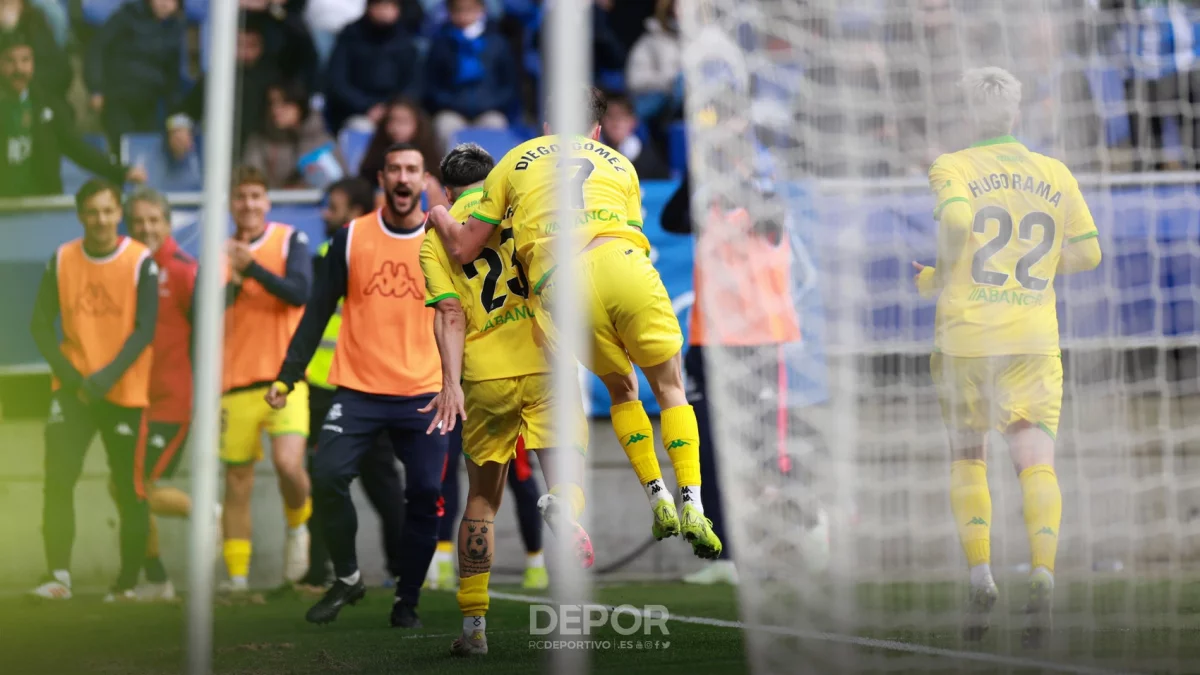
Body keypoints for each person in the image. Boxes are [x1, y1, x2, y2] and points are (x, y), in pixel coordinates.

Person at [427, 87, 721, 561]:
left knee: (622, 388)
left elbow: (464, 248)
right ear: (598, 131)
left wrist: (440, 213)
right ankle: (690, 501)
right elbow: (632, 228)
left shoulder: (515, 160)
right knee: (669, 389)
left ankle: (656, 496)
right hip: (622, 261)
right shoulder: (619, 163)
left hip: (561, 283)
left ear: (545, 127)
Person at [911, 67, 1102, 648]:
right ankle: (1042, 573)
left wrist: (942, 273)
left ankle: (981, 575)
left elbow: (960, 220)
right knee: (1035, 460)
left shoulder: (955, 165)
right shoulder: (1055, 173)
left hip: (969, 337)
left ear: (970, 115)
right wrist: (1039, 272)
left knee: (969, 457)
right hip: (1032, 337)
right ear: (1017, 113)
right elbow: (1090, 253)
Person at [269, 142, 448, 629]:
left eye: (412, 169)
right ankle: (347, 577)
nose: (404, 178)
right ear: (383, 180)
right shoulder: (350, 239)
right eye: (394, 169)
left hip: (424, 393)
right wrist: (288, 373)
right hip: (358, 391)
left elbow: (462, 316)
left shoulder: (445, 240)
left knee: (427, 493)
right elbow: (317, 310)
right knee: (326, 476)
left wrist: (463, 382)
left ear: (424, 179)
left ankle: (406, 598)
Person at [422, 142, 590, 654]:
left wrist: (450, 383)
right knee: (563, 473)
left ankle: (474, 630)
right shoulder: (517, 210)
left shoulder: (435, 240)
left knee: (481, 499)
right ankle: (562, 507)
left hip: (486, 375)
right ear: (491, 178)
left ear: (448, 190)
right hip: (546, 360)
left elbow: (449, 315)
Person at [28, 179, 158, 601]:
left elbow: (145, 330)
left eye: (108, 211)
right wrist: (70, 377)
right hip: (73, 391)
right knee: (58, 480)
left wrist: (105, 377)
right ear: (80, 214)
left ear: (119, 212)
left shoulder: (141, 261)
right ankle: (57, 577)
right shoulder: (62, 259)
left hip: (123, 391)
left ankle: (127, 585)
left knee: (128, 487)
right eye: (92, 211)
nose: (101, 219)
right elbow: (39, 325)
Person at [295, 177, 409, 591]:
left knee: (338, 478)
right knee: (375, 483)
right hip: (348, 384)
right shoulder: (361, 253)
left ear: (355, 212)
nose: (326, 213)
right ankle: (396, 567)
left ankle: (324, 571)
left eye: (335, 206)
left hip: (345, 386)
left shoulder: (337, 253)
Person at [220, 166, 313, 594]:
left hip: (284, 378)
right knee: (236, 483)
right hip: (233, 380)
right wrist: (236, 280)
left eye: (256, 196)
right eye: (241, 197)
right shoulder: (218, 252)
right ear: (231, 204)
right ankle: (237, 579)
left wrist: (251, 269)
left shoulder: (290, 239)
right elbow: (201, 312)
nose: (249, 204)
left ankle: (298, 528)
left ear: (267, 202)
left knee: (288, 465)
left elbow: (299, 291)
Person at [123, 187, 199, 601]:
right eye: (138, 222)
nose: (146, 228)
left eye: (154, 221)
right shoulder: (125, 268)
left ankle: (202, 510)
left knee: (139, 487)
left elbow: (207, 337)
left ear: (168, 225)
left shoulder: (185, 270)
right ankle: (156, 579)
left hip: (171, 400)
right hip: (131, 399)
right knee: (126, 490)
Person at [0, 33, 146, 197]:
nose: (19, 69)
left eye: (25, 60)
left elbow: (76, 148)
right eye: (10, 61)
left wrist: (121, 172)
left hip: (42, 205)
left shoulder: (48, 104)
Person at [426, 433, 548, 592]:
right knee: (445, 468)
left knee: (520, 474)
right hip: (459, 411)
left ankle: (536, 562)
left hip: (501, 411)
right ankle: (442, 562)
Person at [84, 0, 186, 150]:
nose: (165, 4)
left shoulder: (175, 29)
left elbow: (173, 80)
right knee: (125, 149)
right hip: (118, 97)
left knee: (148, 149)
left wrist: (176, 121)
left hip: (150, 103)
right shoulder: (127, 15)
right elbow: (97, 48)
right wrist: (96, 88)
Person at [424, 0, 517, 149]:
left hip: (489, 109)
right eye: (458, 10)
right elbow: (433, 83)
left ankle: (494, 172)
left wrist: (492, 102)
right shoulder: (441, 43)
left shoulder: (497, 42)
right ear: (450, 12)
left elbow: (508, 83)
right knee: (443, 125)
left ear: (481, 10)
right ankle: (448, 171)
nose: (463, 15)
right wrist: (451, 102)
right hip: (452, 110)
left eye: (469, 9)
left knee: (496, 124)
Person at [324, 0, 420, 133]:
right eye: (380, 5)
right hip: (356, 112)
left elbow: (414, 84)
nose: (385, 11)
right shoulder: (351, 36)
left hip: (396, 110)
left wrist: (392, 109)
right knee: (360, 129)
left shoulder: (405, 40)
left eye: (390, 6)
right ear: (369, 7)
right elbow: (338, 82)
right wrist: (367, 107)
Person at [243, 80, 345, 189]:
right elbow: (250, 182)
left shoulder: (323, 142)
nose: (275, 110)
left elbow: (342, 186)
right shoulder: (259, 142)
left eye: (284, 103)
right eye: (271, 103)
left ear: (300, 106)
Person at [357, 96, 444, 200]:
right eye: (392, 121)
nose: (396, 128)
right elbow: (366, 182)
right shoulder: (377, 152)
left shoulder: (430, 156)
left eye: (404, 121)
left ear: (418, 124)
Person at [600, 93, 670, 179]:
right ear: (600, 121)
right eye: (610, 116)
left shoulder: (650, 160)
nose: (616, 124)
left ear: (633, 122)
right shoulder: (590, 156)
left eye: (622, 117)